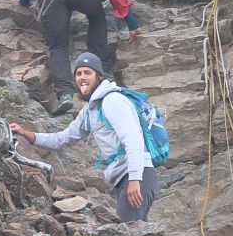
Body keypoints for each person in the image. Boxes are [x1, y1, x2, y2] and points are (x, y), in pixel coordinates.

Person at [10, 52, 160, 224]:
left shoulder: (112, 101)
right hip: (126, 179)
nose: (82, 77)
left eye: (88, 72)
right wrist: (28, 134)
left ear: (99, 76)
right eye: (78, 73)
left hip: (138, 176)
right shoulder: (89, 111)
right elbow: (63, 139)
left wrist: (135, 179)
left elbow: (133, 138)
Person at [18, 0, 139, 117]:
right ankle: (100, 71)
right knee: (97, 17)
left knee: (57, 46)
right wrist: (130, 20)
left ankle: (65, 95)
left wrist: (24, 0)